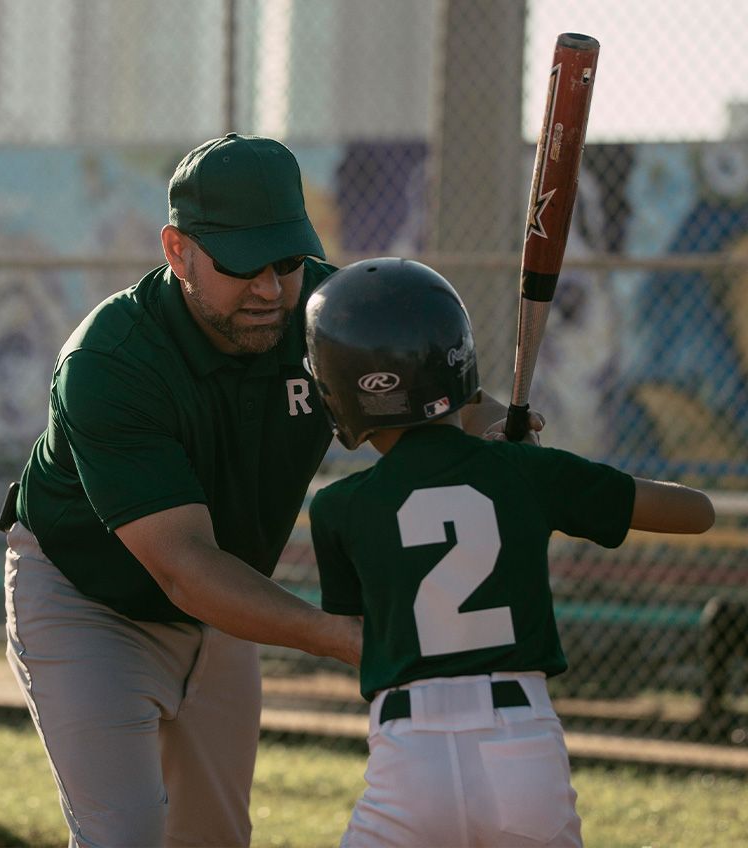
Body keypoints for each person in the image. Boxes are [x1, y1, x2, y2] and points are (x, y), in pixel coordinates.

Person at [1, 133, 530, 847]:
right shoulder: (109, 362)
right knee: (124, 836)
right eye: (242, 264)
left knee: (215, 839)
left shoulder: (325, 312)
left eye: (285, 259)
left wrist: (502, 432)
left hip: (224, 601)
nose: (269, 288)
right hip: (88, 598)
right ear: (177, 251)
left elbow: (442, 409)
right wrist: (344, 636)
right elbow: (183, 564)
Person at [304, 257, 716, 848]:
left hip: (406, 751)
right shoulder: (526, 472)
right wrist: (525, 457)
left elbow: (362, 628)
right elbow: (696, 512)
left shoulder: (336, 508)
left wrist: (496, 444)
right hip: (520, 744)